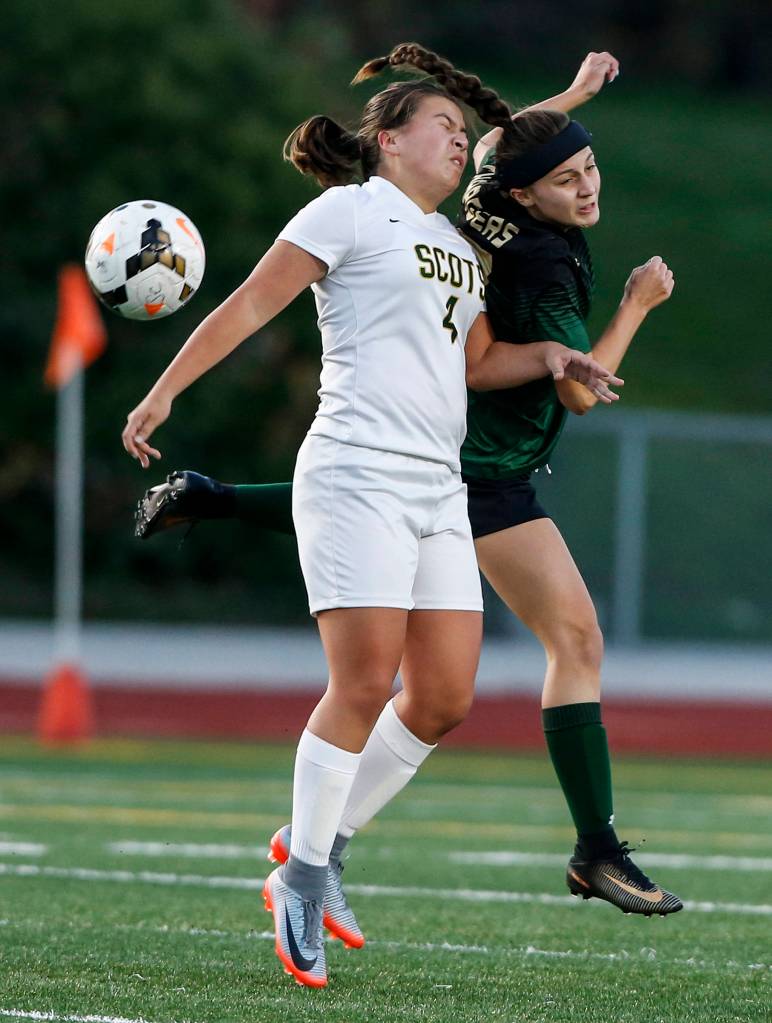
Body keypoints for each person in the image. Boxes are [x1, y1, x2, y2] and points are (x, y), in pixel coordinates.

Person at [122, 45, 622, 988]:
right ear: (390, 141)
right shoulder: (347, 211)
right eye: (445, 128)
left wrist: (557, 356)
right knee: (362, 682)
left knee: (442, 699)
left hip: (439, 487)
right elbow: (249, 304)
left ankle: (321, 846)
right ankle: (304, 879)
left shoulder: (461, 248)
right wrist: (163, 393)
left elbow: (478, 366)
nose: (460, 141)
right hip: (355, 472)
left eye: (463, 135)